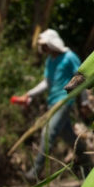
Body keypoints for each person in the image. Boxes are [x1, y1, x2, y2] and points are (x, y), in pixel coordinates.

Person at [19, 28, 85, 179]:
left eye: (44, 44)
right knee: (70, 138)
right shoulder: (50, 60)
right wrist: (29, 95)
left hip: (64, 101)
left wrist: (85, 101)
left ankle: (35, 172)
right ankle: (89, 164)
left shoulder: (69, 57)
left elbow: (81, 77)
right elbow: (47, 83)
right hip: (52, 102)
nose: (42, 47)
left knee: (47, 134)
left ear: (51, 44)